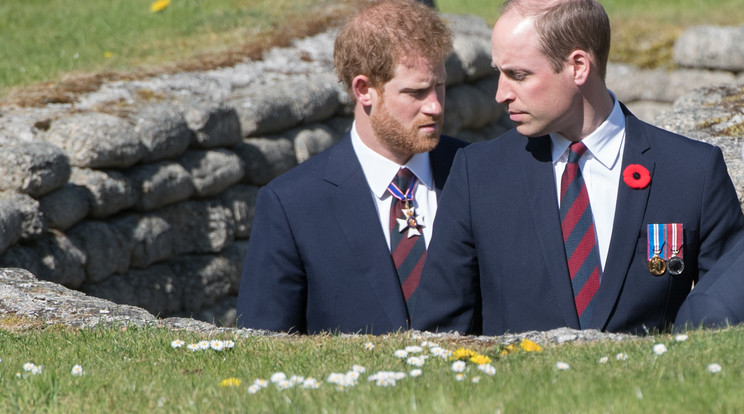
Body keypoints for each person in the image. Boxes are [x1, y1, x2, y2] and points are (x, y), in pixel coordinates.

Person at [412, 0, 744, 336]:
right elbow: (438, 336)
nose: (500, 94)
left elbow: (725, 320)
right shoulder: (478, 175)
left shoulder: (692, 172)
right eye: (499, 72)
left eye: (518, 75)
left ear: (578, 66)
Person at [235, 0, 466, 334]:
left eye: (439, 86)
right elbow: (262, 344)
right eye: (416, 92)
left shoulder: (475, 173)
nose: (434, 106)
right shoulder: (293, 204)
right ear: (364, 90)